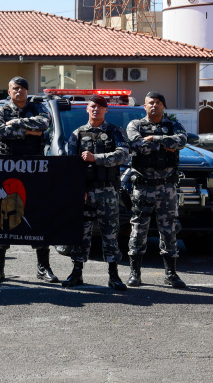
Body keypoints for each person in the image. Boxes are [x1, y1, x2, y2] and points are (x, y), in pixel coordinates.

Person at [0, 76, 57, 283]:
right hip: (6, 169)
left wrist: (17, 123)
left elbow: (44, 123)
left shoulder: (37, 108)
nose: (19, 91)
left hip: (33, 169)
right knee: (3, 216)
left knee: (37, 215)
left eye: (23, 88)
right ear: (9, 92)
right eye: (15, 88)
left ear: (27, 91)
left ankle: (43, 267)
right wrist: (29, 132)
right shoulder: (0, 111)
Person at [62, 95, 129, 291]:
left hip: (108, 191)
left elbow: (123, 154)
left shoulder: (115, 131)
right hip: (85, 192)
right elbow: (71, 164)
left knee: (110, 233)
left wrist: (96, 158)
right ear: (87, 109)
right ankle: (76, 273)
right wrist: (78, 189)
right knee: (81, 233)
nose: (95, 109)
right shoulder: (77, 134)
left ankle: (113, 275)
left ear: (106, 110)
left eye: (100, 107)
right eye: (92, 106)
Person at [125, 91, 188, 288]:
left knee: (169, 230)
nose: (154, 105)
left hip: (167, 187)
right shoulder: (135, 125)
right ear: (144, 106)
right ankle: (135, 273)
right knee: (138, 229)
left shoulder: (173, 125)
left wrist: (154, 139)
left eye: (158, 102)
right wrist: (165, 143)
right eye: (150, 103)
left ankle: (171, 274)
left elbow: (182, 141)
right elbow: (136, 144)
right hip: (143, 186)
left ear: (163, 106)